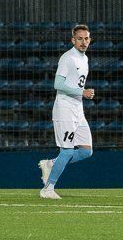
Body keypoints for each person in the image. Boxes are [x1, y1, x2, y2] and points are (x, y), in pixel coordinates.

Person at [38, 24, 95, 199]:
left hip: (78, 109)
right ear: (73, 40)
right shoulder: (68, 58)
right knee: (68, 150)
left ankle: (52, 164)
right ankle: (48, 189)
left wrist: (82, 94)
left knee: (86, 151)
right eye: (80, 39)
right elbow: (58, 84)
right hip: (65, 109)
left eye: (86, 38)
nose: (83, 42)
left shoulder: (84, 58)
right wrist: (82, 92)